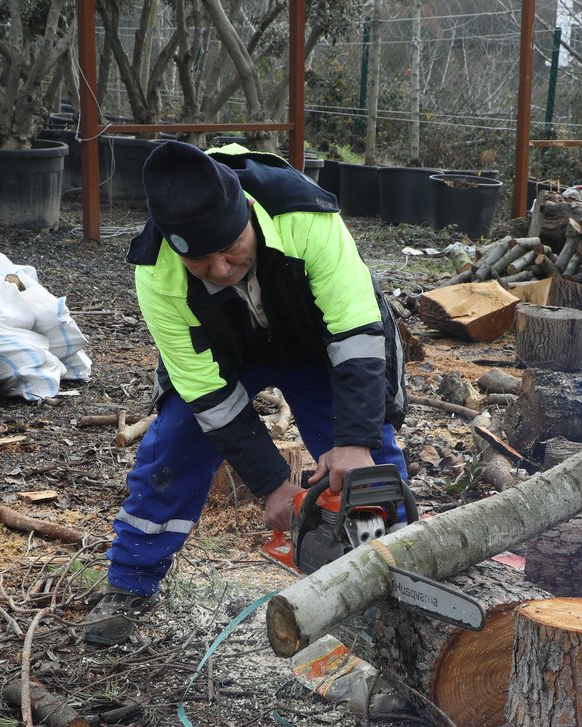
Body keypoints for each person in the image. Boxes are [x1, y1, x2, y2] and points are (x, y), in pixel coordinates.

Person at [86, 141, 408, 646]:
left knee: (369, 463)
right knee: (173, 445)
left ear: (249, 216)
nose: (218, 269)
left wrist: (356, 439)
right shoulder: (155, 269)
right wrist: (272, 484)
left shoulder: (307, 216)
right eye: (200, 259)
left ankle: (397, 580)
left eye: (230, 248)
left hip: (320, 345)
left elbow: (356, 333)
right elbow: (205, 392)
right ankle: (130, 583)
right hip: (224, 357)